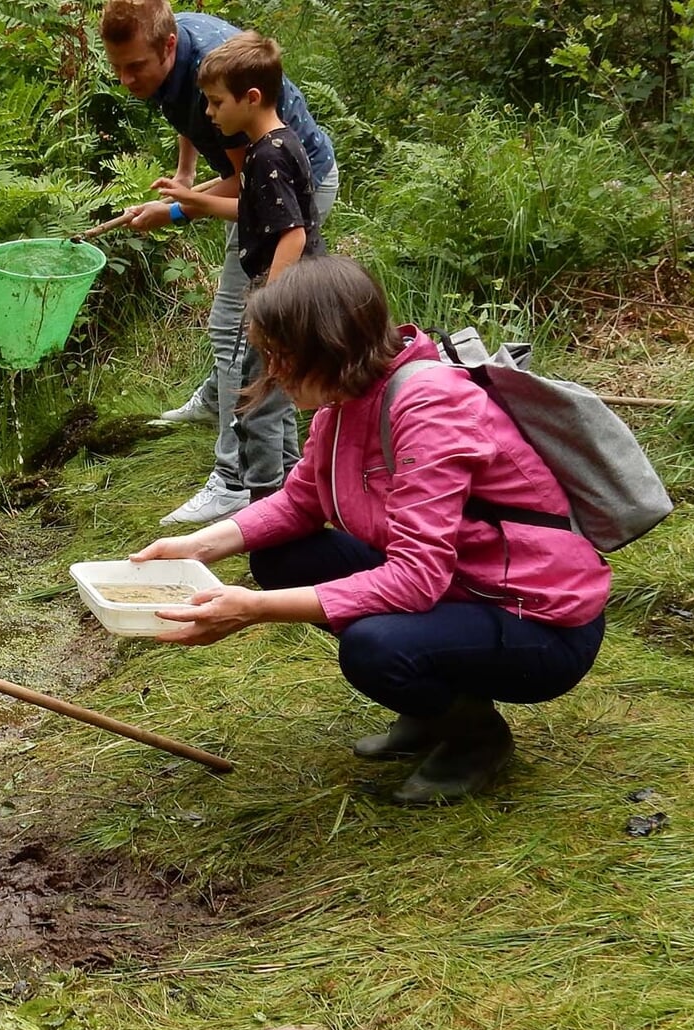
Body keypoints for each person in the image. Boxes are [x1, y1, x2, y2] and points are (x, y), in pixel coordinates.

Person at [127, 257, 610, 804]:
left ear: (327, 346)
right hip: (462, 586)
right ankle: (435, 710)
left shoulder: (431, 407)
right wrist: (195, 546)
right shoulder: (347, 400)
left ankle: (477, 737)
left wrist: (254, 609)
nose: (273, 371)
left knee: (375, 645)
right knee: (281, 556)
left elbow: (415, 580)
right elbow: (301, 501)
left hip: (535, 619)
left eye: (281, 355)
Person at [99, 0, 340, 525]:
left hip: (294, 192)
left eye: (134, 67)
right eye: (116, 66)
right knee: (245, 339)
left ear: (168, 47)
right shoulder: (181, 59)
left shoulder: (234, 98)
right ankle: (229, 408)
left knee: (240, 328)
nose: (125, 79)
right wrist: (185, 179)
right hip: (266, 190)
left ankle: (234, 478)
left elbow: (249, 188)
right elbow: (189, 113)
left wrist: (178, 211)